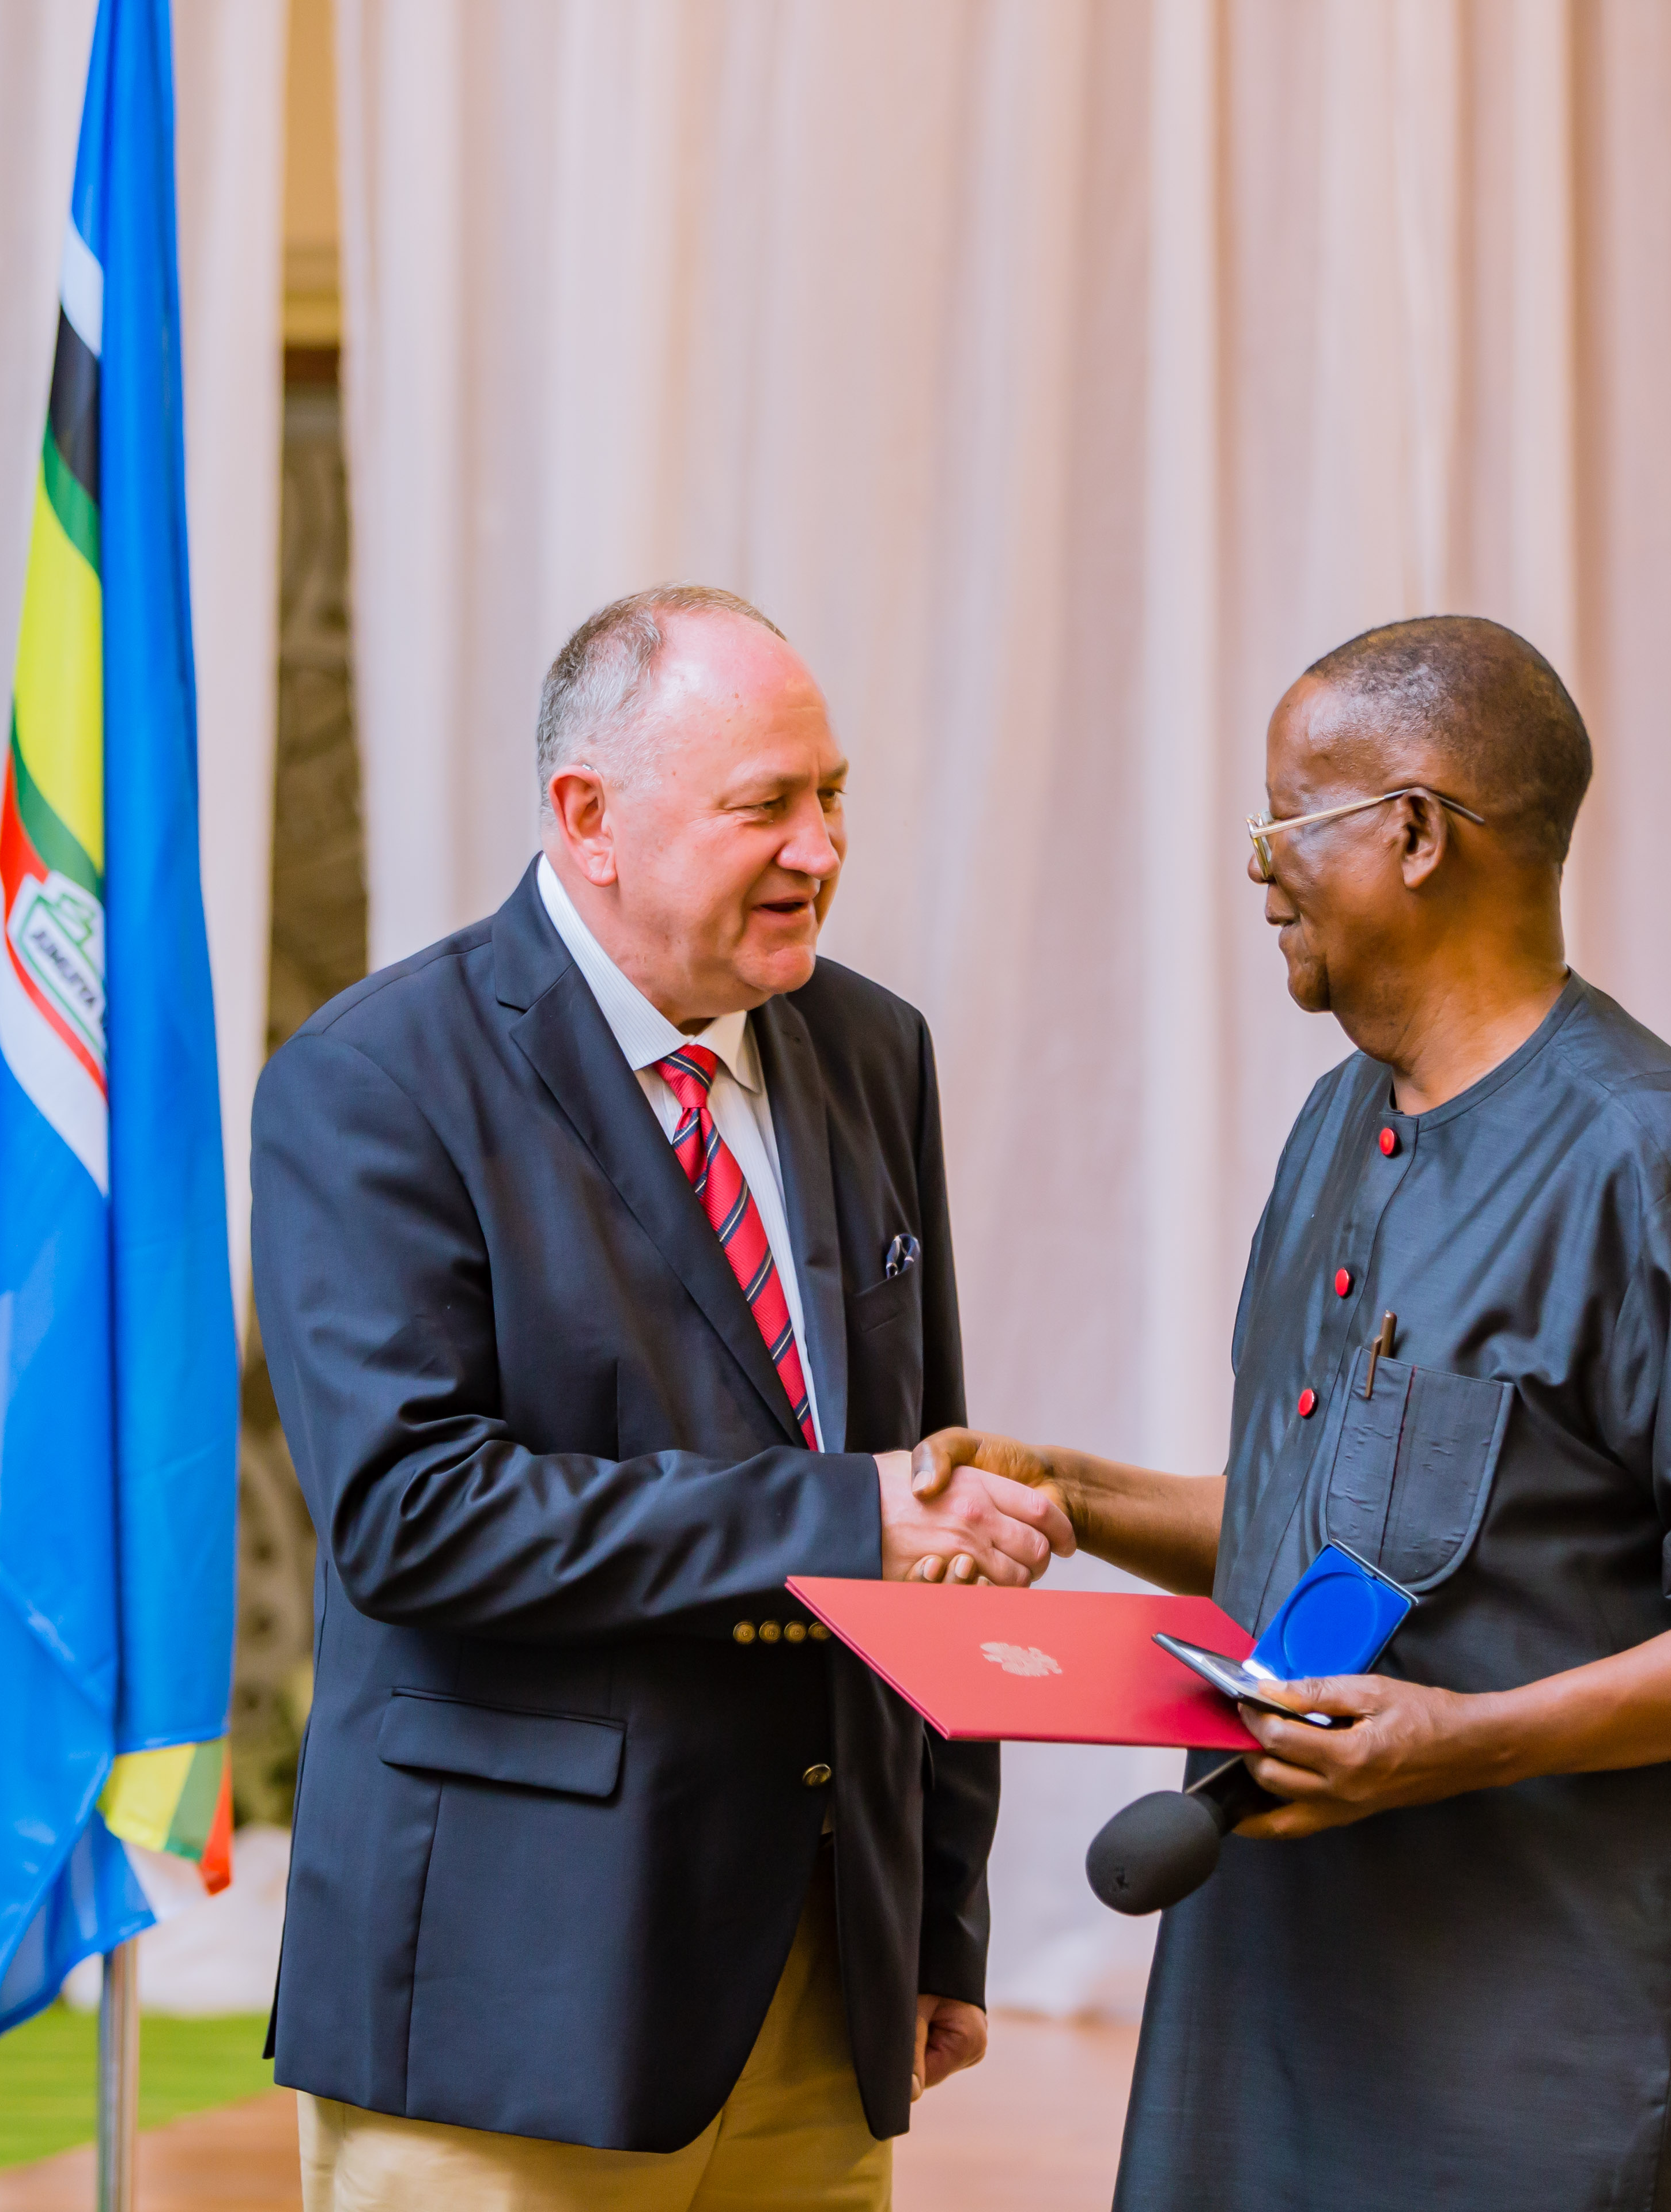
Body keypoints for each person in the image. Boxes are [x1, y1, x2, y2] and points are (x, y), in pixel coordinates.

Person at [927, 616, 1671, 2210]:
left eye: (1286, 822)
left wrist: (1469, 1744)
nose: (1258, 869)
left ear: (1413, 831)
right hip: (1272, 2013)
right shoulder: (1339, 1123)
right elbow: (1339, 1523)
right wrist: (1073, 1490)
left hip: (1543, 2066)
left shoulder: (1654, 1167)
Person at [252, 584, 1074, 2210]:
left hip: (825, 1987)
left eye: (832, 794)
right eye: (765, 805)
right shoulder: (374, 1079)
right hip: (511, 2001)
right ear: (590, 820)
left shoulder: (872, 1049)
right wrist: (846, 1520)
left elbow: (929, 1487)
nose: (821, 849)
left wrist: (937, 1916)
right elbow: (415, 1521)